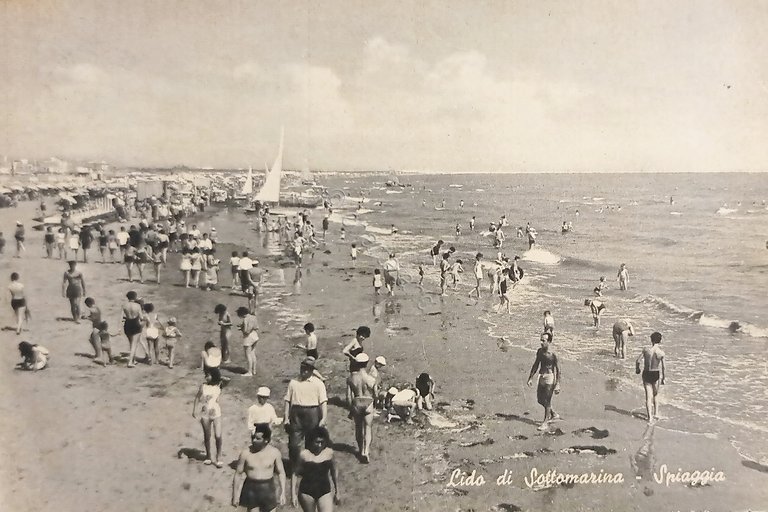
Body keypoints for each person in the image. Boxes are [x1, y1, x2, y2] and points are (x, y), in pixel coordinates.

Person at [284, 358, 329, 501]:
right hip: (296, 414)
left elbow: (323, 402)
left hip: (312, 413)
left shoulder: (318, 383)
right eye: (303, 368)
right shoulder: (293, 383)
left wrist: (323, 418)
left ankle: (311, 468)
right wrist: (285, 417)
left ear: (312, 370)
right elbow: (287, 401)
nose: (304, 371)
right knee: (294, 444)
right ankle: (295, 469)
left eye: (308, 369)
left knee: (312, 443)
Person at [232, 424, 287, 512]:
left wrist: (283, 493)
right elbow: (238, 474)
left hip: (268, 489)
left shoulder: (274, 453)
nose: (254, 440)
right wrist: (235, 495)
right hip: (251, 489)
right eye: (253, 437)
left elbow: (281, 473)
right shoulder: (245, 454)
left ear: (266, 440)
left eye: (258, 439)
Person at [294, 426, 340, 511]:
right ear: (311, 441)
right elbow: (295, 474)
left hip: (324, 490)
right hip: (306, 492)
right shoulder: (304, 455)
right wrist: (293, 494)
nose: (320, 445)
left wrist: (337, 491)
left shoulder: (329, 453)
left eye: (322, 442)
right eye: (317, 442)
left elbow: (334, 472)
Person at [346, 353, 377, 463]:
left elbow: (348, 397)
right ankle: (366, 451)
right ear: (367, 363)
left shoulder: (351, 378)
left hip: (357, 402)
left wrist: (351, 409)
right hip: (368, 402)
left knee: (358, 428)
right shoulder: (371, 379)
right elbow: (375, 395)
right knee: (368, 428)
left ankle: (360, 451)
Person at [527, 332, 561, 430]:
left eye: (544, 341)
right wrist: (530, 378)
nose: (541, 342)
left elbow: (559, 370)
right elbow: (536, 365)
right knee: (540, 400)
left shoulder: (553, 354)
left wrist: (558, 384)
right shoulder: (540, 352)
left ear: (549, 341)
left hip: (550, 377)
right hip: (541, 376)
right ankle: (553, 413)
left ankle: (545, 422)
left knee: (547, 400)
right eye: (541, 340)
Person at [192, 367, 225, 468]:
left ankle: (219, 456)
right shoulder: (203, 386)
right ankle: (208, 456)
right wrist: (194, 410)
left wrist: (217, 376)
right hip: (205, 413)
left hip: (216, 413)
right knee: (207, 436)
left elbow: (228, 380)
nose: (206, 377)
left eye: (208, 375)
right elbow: (197, 397)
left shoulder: (219, 385)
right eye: (205, 375)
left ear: (214, 376)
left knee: (218, 435)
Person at [636, 332, 666, 423]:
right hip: (655, 373)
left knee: (648, 397)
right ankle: (656, 413)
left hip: (646, 373)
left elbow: (638, 361)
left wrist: (637, 369)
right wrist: (664, 378)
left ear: (651, 340)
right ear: (660, 341)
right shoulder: (661, 353)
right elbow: (664, 367)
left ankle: (650, 418)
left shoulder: (646, 350)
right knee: (655, 394)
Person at [123, 291, 147, 368]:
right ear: (134, 297)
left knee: (131, 343)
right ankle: (130, 362)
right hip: (135, 324)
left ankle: (133, 360)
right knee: (134, 344)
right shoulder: (137, 306)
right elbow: (141, 317)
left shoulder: (124, 305)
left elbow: (122, 317)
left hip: (127, 324)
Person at [237, 306, 259, 376]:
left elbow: (246, 331)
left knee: (248, 355)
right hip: (255, 335)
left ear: (242, 314)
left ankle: (249, 372)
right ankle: (254, 370)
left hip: (248, 337)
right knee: (253, 353)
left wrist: (241, 329)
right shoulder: (253, 317)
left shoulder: (245, 319)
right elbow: (256, 327)